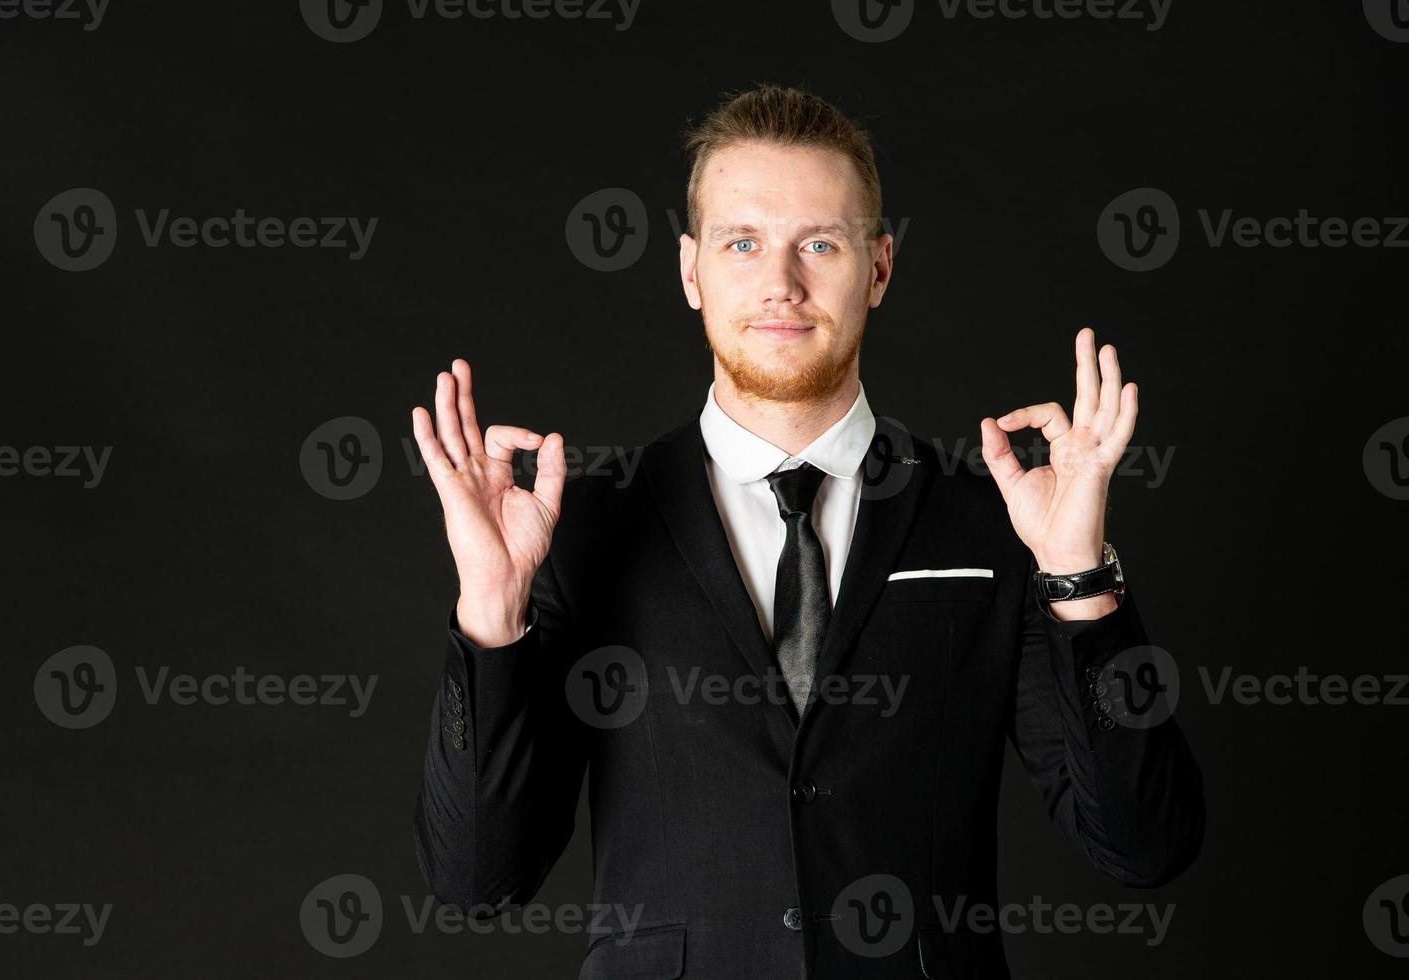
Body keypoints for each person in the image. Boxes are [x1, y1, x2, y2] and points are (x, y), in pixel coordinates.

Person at [411, 83, 1204, 980]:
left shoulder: (996, 521)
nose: (781, 284)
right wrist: (489, 608)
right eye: (742, 243)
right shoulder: (577, 529)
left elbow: (1145, 846)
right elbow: (478, 878)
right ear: (689, 270)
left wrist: (1076, 576)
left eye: (818, 244)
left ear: (878, 268)